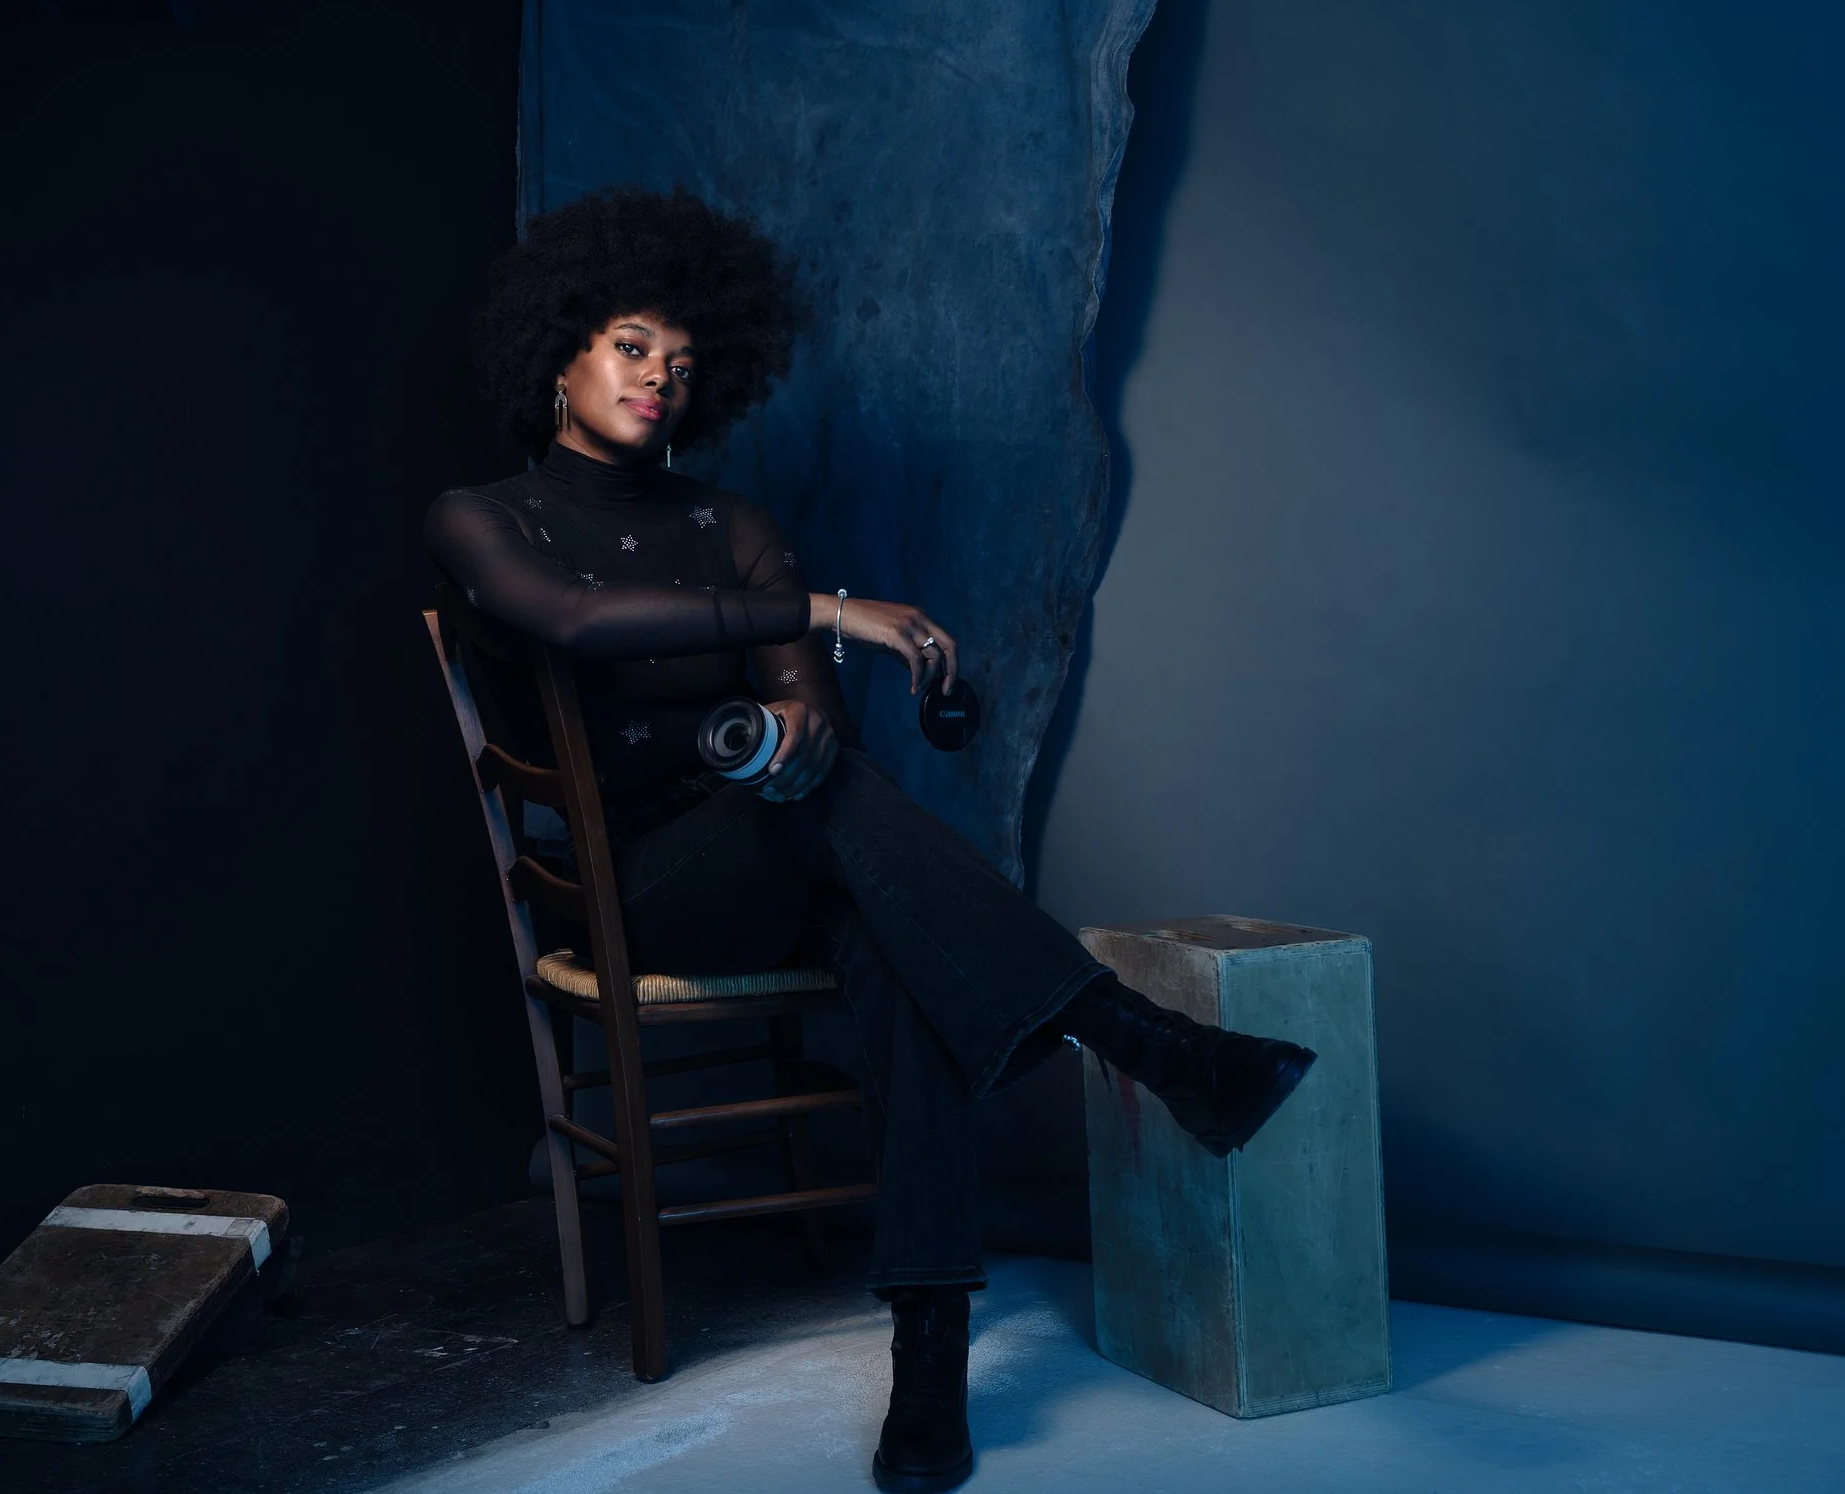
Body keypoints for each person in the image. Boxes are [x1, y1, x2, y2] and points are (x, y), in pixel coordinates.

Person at [424, 188, 1314, 1494]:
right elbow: (567, 618)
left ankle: (932, 1362)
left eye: (680, 361)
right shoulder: (485, 517)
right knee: (845, 830)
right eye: (629, 346)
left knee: (894, 946)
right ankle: (1147, 1045)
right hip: (648, 888)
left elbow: (823, 729)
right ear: (558, 353)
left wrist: (799, 723)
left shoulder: (732, 526)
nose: (659, 379)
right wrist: (839, 610)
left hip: (790, 847)